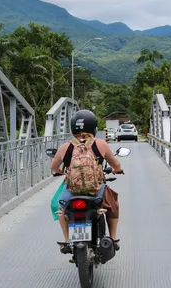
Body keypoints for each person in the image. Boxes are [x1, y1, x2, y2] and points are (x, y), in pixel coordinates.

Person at [50, 109, 123, 254]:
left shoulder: (66, 147)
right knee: (113, 204)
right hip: (96, 190)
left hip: (72, 191)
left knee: (61, 207)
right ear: (93, 127)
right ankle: (113, 239)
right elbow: (116, 165)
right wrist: (117, 170)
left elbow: (53, 167)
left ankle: (66, 241)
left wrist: (61, 172)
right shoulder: (100, 144)